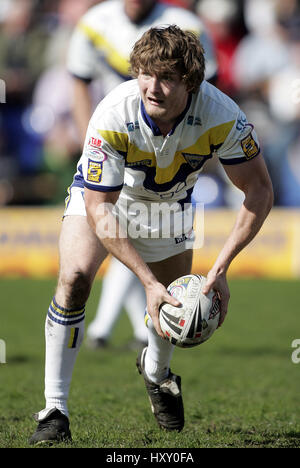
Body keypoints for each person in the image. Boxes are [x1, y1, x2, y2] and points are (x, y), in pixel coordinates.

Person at [29, 25, 273, 444]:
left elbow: (259, 189)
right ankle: (54, 409)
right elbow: (99, 208)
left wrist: (220, 270)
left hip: (171, 209)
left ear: (192, 82)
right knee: (73, 280)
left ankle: (157, 374)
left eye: (167, 78)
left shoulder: (223, 115)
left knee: (172, 306)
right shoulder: (112, 114)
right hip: (107, 199)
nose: (152, 87)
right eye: (144, 73)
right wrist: (145, 281)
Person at [66, 0, 218, 349]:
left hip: (168, 150)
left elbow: (208, 90)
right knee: (112, 234)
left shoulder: (187, 24)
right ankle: (107, 330)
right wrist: (88, 139)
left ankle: (126, 334)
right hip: (111, 138)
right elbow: (79, 82)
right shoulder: (94, 22)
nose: (153, 84)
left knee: (131, 239)